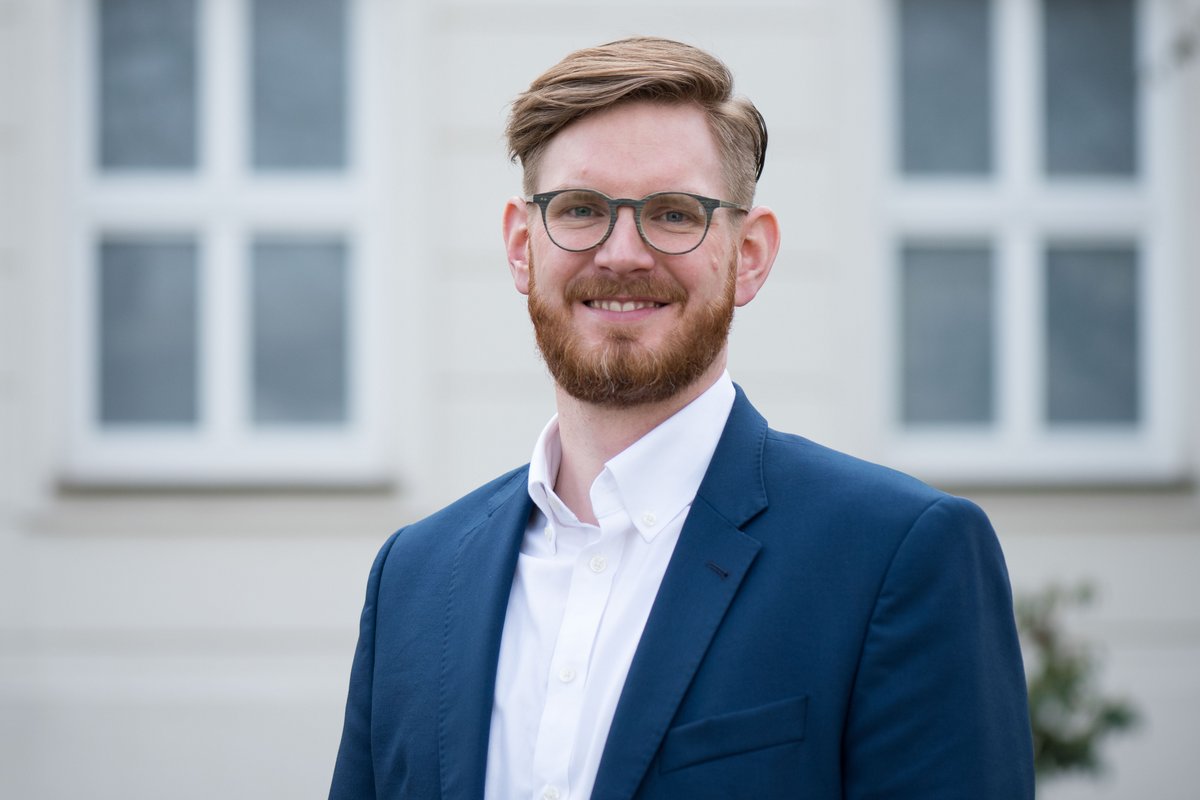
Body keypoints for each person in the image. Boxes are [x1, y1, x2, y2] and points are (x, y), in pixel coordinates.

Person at [330, 36, 1034, 799]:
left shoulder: (898, 557)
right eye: (579, 209)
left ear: (752, 253)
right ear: (520, 247)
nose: (622, 252)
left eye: (673, 214)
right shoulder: (414, 578)